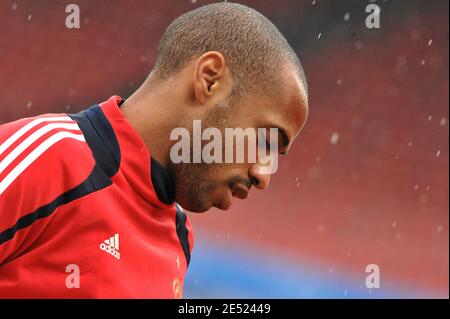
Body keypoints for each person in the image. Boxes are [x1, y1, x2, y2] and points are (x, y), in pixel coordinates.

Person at [0, 2, 308, 298]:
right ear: (210, 79)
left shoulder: (179, 238)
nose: (263, 175)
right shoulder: (48, 157)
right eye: (266, 141)